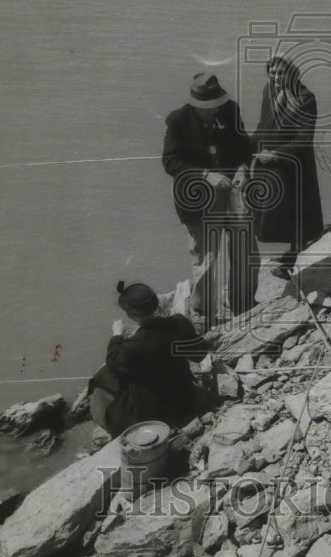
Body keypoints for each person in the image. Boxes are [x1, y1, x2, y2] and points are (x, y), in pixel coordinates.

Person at [162, 72, 259, 327]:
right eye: (207, 108)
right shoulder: (177, 121)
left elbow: (243, 146)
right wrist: (206, 175)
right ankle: (204, 316)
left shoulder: (230, 110)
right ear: (195, 105)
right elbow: (171, 162)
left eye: (215, 106)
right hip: (200, 202)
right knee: (206, 259)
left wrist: (242, 168)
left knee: (245, 249)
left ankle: (244, 306)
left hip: (234, 193)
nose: (212, 111)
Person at [86, 281, 207, 438]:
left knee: (99, 384)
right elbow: (200, 353)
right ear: (156, 304)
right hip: (185, 399)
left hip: (156, 415)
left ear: (129, 314)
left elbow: (113, 362)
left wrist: (116, 335)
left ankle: (110, 430)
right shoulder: (179, 322)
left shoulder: (133, 347)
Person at [251, 55, 323, 279]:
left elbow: (304, 139)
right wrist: (251, 147)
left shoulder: (305, 98)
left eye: (281, 72)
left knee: (296, 212)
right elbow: (264, 123)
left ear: (292, 72)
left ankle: (295, 258)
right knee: (272, 213)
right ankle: (292, 254)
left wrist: (276, 155)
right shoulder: (269, 90)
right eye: (272, 72)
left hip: (294, 163)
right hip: (267, 160)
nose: (275, 77)